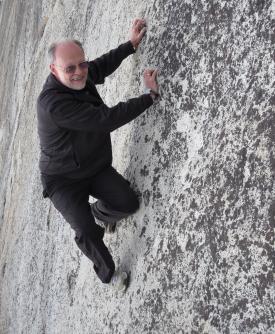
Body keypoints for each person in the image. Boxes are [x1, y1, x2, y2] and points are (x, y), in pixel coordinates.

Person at [37, 18, 159, 292]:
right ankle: (108, 274)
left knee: (128, 203)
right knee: (87, 231)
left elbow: (99, 66)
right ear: (53, 70)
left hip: (92, 165)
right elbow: (106, 119)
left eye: (82, 63)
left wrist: (130, 45)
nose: (80, 72)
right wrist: (149, 96)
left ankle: (101, 213)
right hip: (63, 179)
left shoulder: (79, 73)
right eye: (70, 68)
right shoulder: (53, 105)